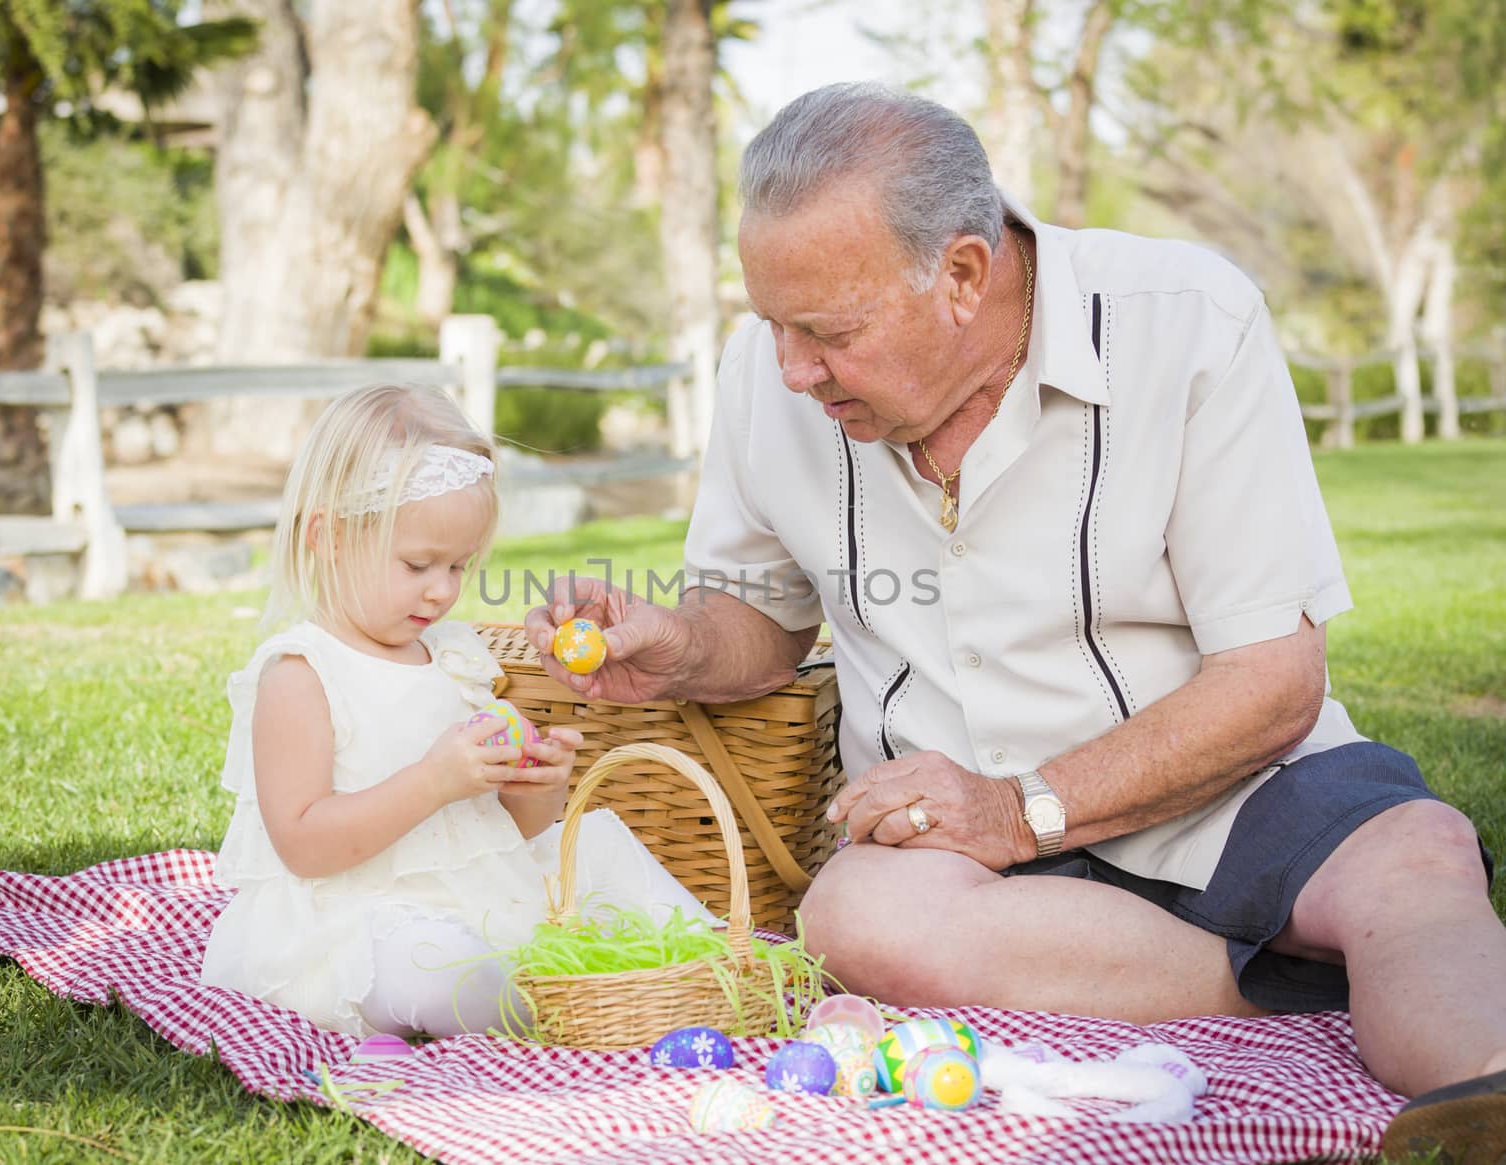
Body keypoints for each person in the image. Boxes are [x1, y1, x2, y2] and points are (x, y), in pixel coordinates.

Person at [526, 83, 1505, 1157]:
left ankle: (1481, 1086)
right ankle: (1318, 979)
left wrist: (1019, 807)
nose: (795, 370)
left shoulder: (1186, 321)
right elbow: (757, 623)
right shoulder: (766, 383)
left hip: (1229, 787)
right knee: (854, 920)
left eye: (828, 331)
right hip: (951, 855)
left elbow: (1272, 681)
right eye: (772, 326)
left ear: (961, 274)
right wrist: (680, 646)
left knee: (1412, 859)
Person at [201, 383, 711, 1039]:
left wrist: (538, 786)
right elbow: (303, 843)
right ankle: (548, 1007)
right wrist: (434, 780)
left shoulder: (453, 657)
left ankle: (721, 967)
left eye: (460, 566)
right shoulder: (302, 673)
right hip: (361, 911)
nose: (442, 590)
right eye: (418, 564)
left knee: (600, 840)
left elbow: (503, 828)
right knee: (434, 968)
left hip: (476, 891)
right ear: (326, 538)